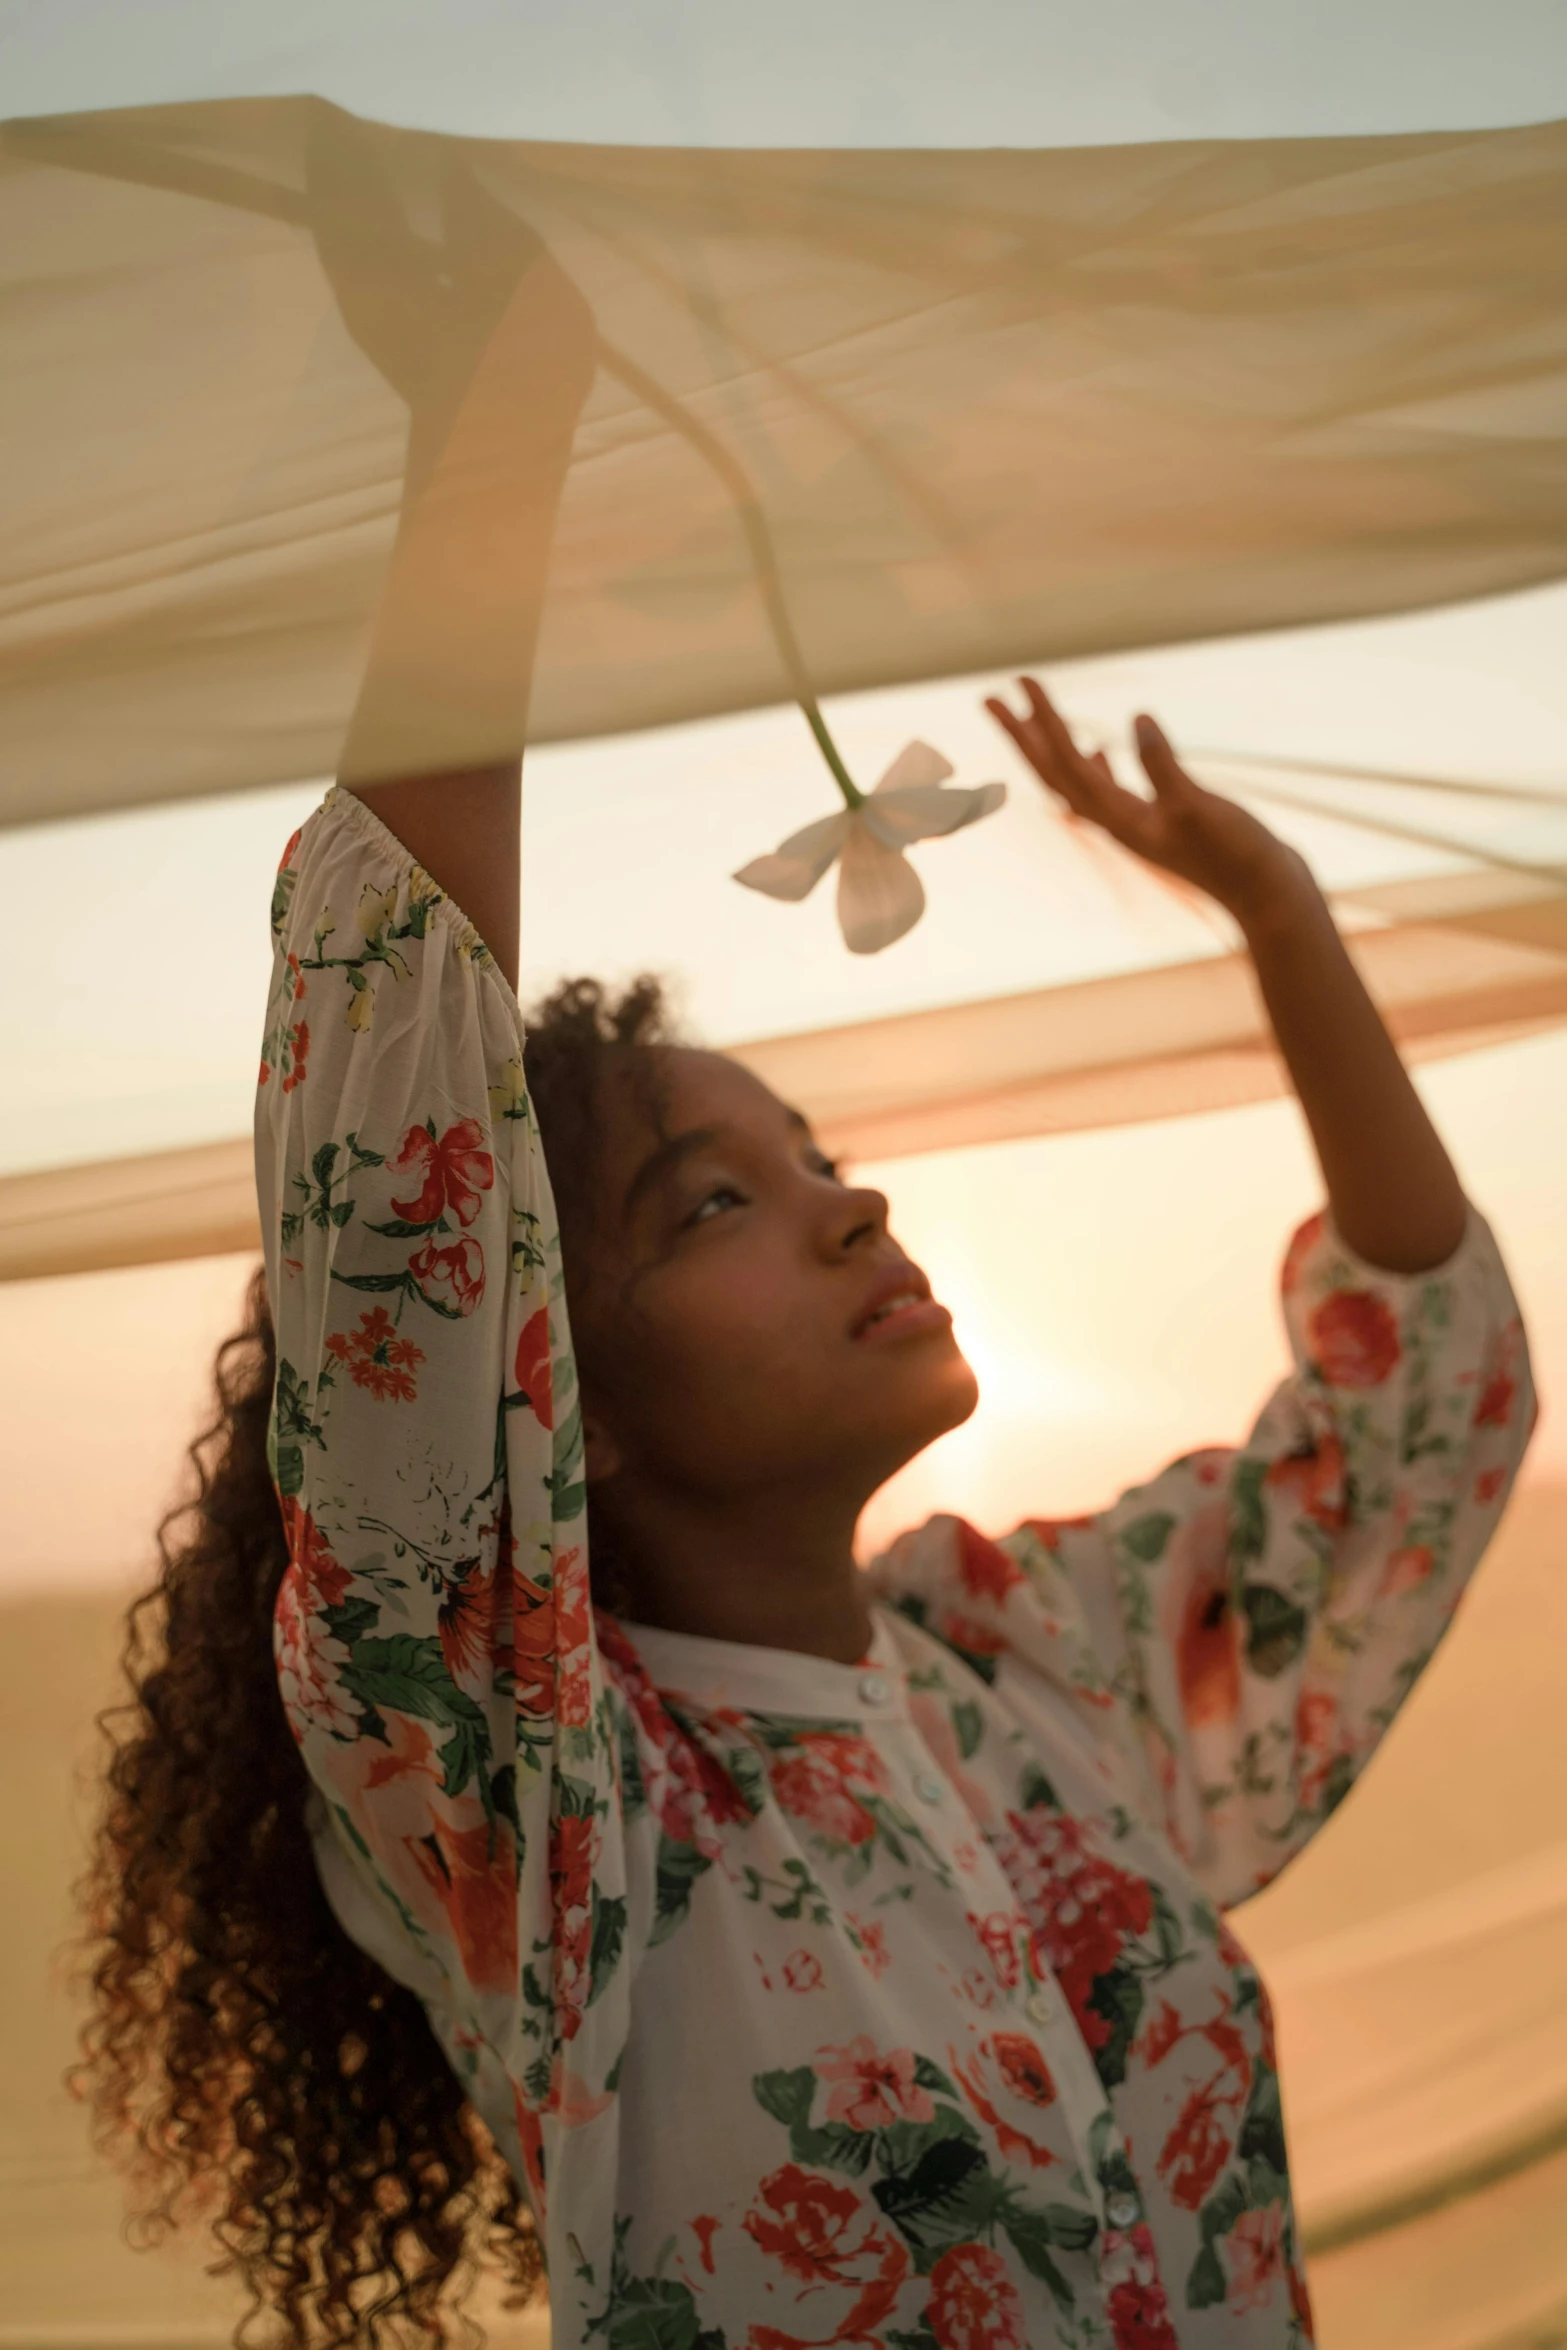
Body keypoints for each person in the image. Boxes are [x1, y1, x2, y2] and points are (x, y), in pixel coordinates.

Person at [79, 240, 1536, 2350]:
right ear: (544, 1377)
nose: (857, 1214)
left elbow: (1422, 1423)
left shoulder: (1035, 1676)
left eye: (827, 1163)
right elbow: (405, 1134)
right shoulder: (545, 1803)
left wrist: (1285, 920)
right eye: (713, 1205)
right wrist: (501, 429)